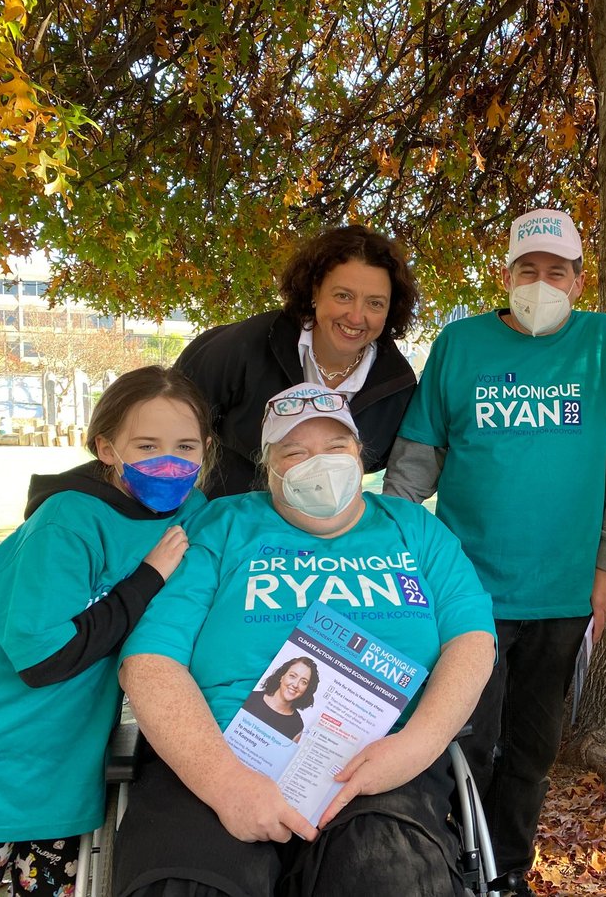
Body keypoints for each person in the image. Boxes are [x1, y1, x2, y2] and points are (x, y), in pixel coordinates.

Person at [114, 382, 496, 897]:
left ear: (359, 454)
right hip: (219, 755)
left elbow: (472, 642)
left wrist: (414, 747)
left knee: (389, 872)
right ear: (268, 466)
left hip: (377, 763)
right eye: (295, 452)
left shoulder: (415, 530)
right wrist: (224, 783)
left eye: (336, 448)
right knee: (188, 883)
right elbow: (149, 662)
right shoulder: (222, 526)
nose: (320, 463)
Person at [383, 207, 606, 894]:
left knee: (532, 749)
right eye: (527, 270)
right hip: (466, 591)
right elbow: (415, 464)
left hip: (564, 592)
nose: (542, 282)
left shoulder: (605, 341)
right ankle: (449, 864)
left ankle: (506, 870)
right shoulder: (461, 344)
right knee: (462, 742)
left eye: (556, 271)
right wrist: (399, 555)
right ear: (505, 275)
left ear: (578, 278)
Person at [0, 366, 211, 896]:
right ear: (107, 447)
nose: (169, 462)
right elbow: (43, 662)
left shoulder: (192, 514)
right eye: (146, 444)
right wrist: (147, 578)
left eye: (186, 446)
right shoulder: (66, 522)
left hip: (66, 769)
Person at [176, 225, 419, 496]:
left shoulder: (398, 386)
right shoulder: (247, 345)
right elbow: (173, 423)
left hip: (326, 532)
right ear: (315, 291)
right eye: (343, 296)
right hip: (232, 522)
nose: (355, 316)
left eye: (375, 303)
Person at [243, 657, 320, 742]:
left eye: (303, 682)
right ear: (282, 677)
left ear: (306, 689)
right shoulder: (250, 698)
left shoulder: (297, 726)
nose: (295, 685)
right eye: (292, 676)